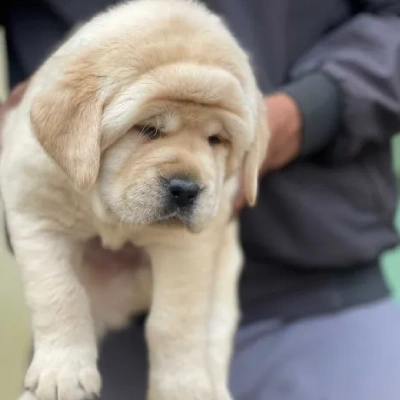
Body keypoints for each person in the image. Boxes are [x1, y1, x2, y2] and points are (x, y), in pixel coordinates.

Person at [2, 1, 400, 399]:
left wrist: (309, 111)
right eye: (150, 129)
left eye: (216, 138)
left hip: (324, 301)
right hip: (94, 312)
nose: (185, 176)